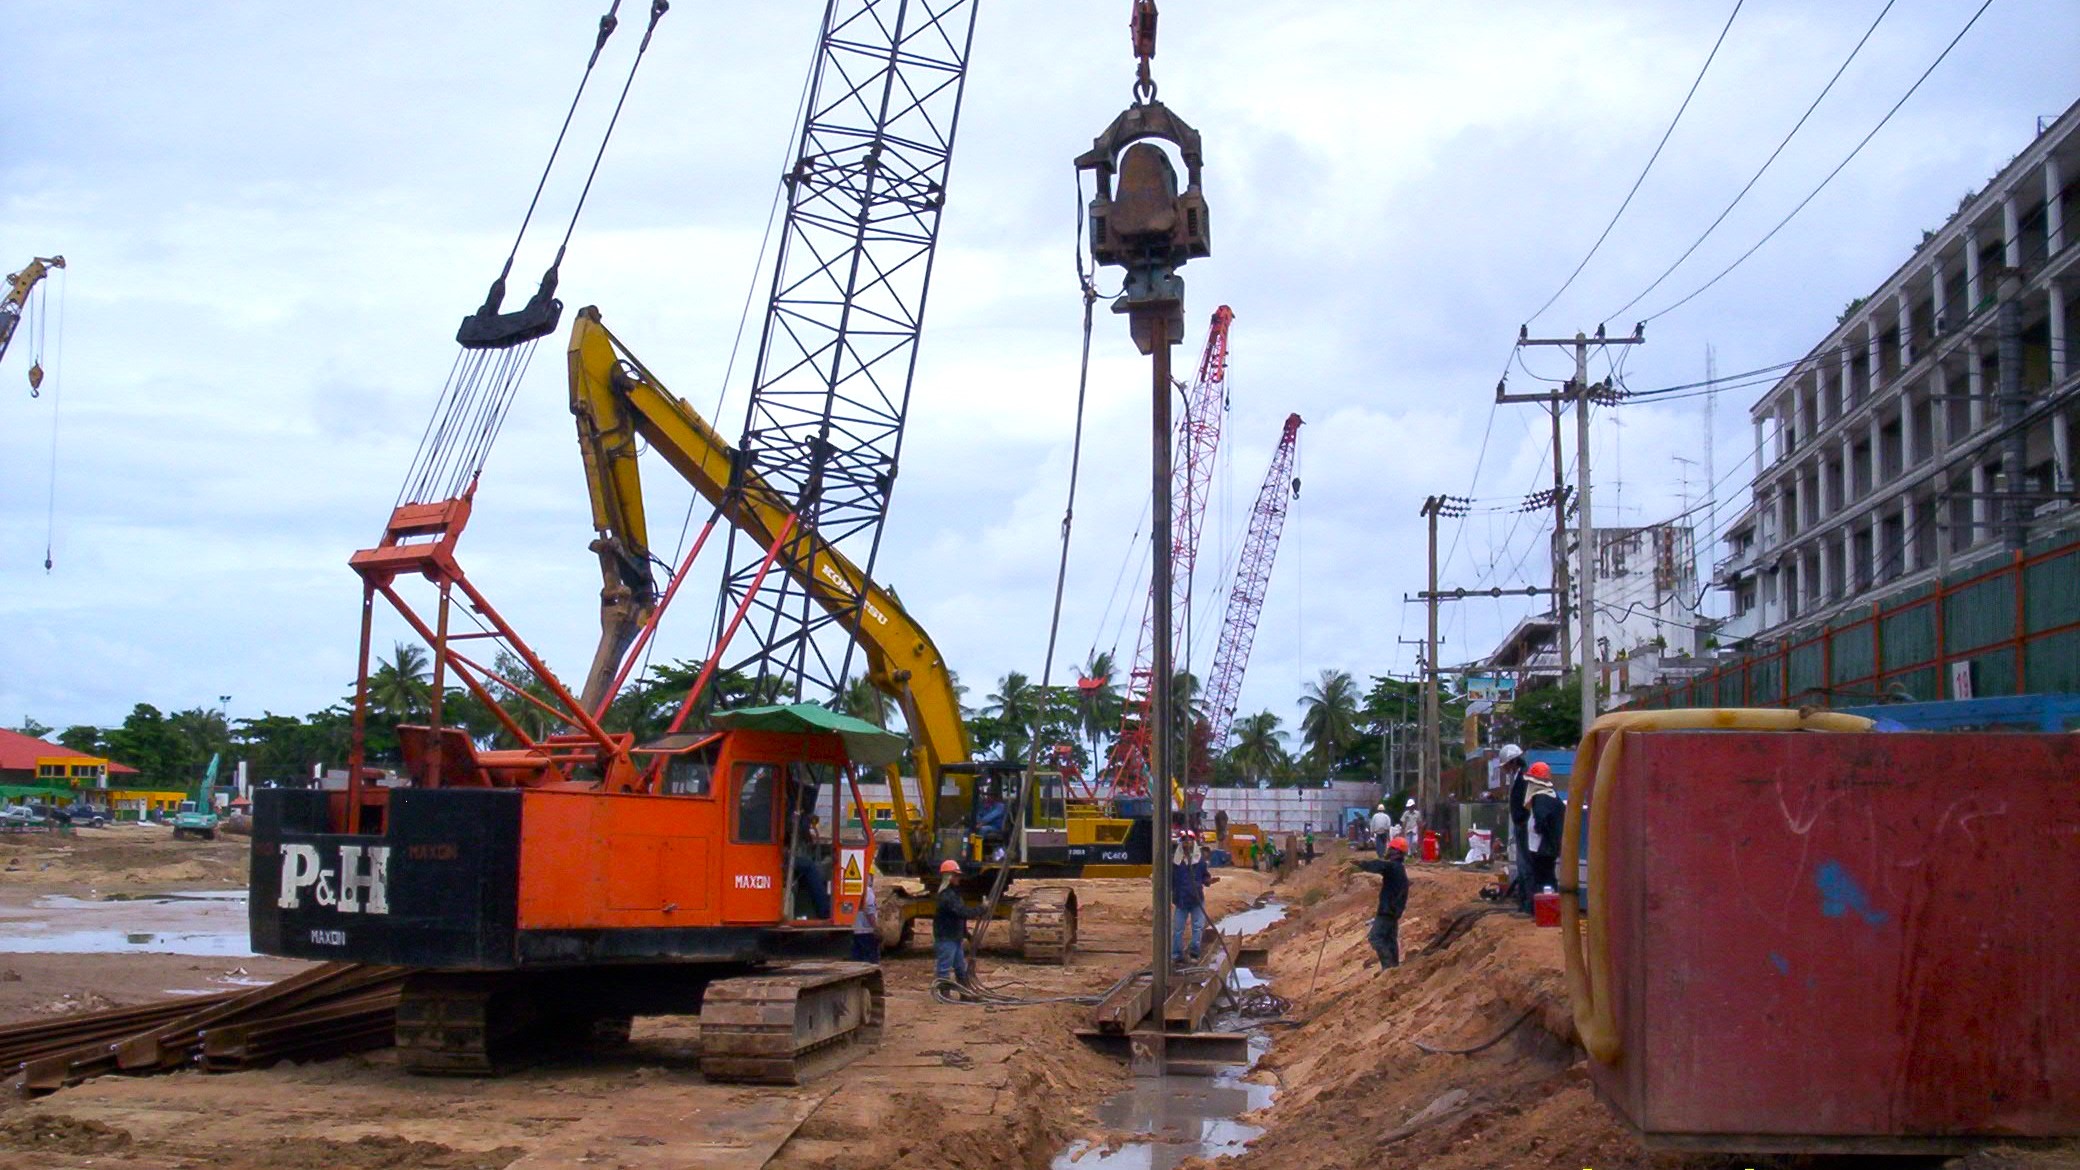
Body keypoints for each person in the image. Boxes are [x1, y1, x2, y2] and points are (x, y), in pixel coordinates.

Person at [1351, 836, 1411, 970]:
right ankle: (1394, 968)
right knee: (1390, 939)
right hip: (1394, 911)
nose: (1388, 851)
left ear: (1395, 852)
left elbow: (1378, 865)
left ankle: (1388, 967)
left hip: (1387, 911)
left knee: (1375, 937)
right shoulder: (1399, 869)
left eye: (1391, 849)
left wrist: (1361, 864)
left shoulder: (1393, 867)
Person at [933, 859, 985, 987]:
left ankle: (965, 993)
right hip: (946, 938)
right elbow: (962, 912)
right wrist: (982, 908)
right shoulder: (947, 896)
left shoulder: (953, 894)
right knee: (944, 968)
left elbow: (959, 917)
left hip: (954, 937)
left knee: (960, 968)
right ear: (948, 876)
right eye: (956, 875)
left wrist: (966, 934)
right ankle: (943, 993)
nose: (958, 878)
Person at [1171, 830, 1216, 964]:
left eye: (1190, 840)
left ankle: (1194, 953)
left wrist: (1208, 880)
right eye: (1184, 840)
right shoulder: (1176, 862)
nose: (1187, 843)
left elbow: (1204, 876)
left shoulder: (1199, 861)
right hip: (1181, 899)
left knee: (1197, 927)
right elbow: (1170, 878)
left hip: (1196, 899)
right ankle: (1176, 954)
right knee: (1178, 928)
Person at [1523, 762, 1565, 899]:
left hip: (1541, 847)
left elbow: (1541, 821)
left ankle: (1543, 909)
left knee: (1542, 879)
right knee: (1548, 876)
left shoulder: (1541, 798)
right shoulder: (1553, 797)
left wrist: (1538, 829)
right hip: (1548, 846)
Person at [1501, 744, 1532, 913]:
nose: (1505, 769)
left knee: (1526, 865)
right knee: (1523, 865)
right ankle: (1525, 901)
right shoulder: (1520, 777)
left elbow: (1525, 803)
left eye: (1506, 765)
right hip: (1521, 825)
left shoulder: (1524, 778)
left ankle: (1528, 903)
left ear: (1512, 762)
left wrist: (1521, 820)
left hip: (1524, 827)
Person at [850, 854, 881, 964]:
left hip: (854, 930)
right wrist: (876, 928)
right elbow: (869, 911)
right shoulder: (867, 891)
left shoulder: (852, 889)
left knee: (856, 961)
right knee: (870, 962)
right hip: (867, 931)